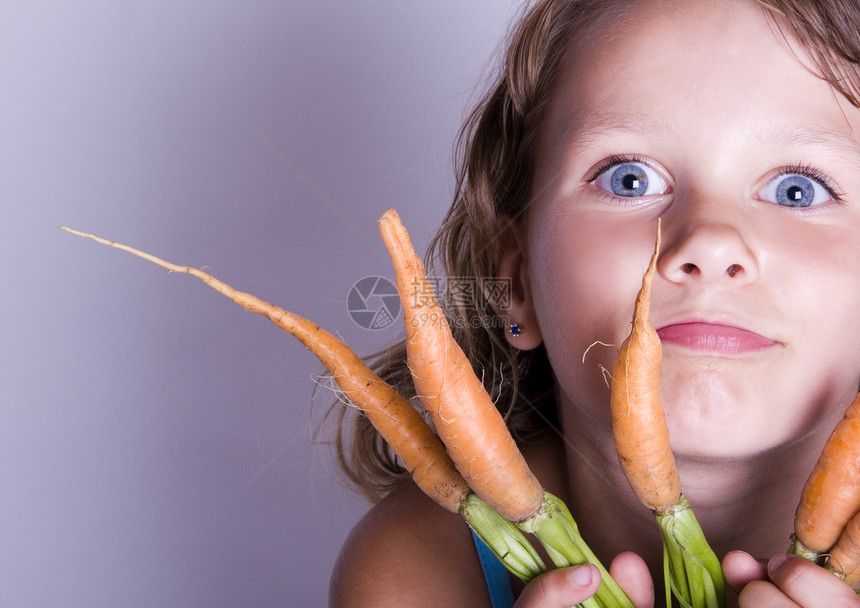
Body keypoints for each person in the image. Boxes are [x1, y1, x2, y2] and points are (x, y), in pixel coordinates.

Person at [328, 0, 860, 606]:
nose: (710, 243)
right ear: (518, 283)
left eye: (798, 189)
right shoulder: (418, 570)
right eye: (629, 178)